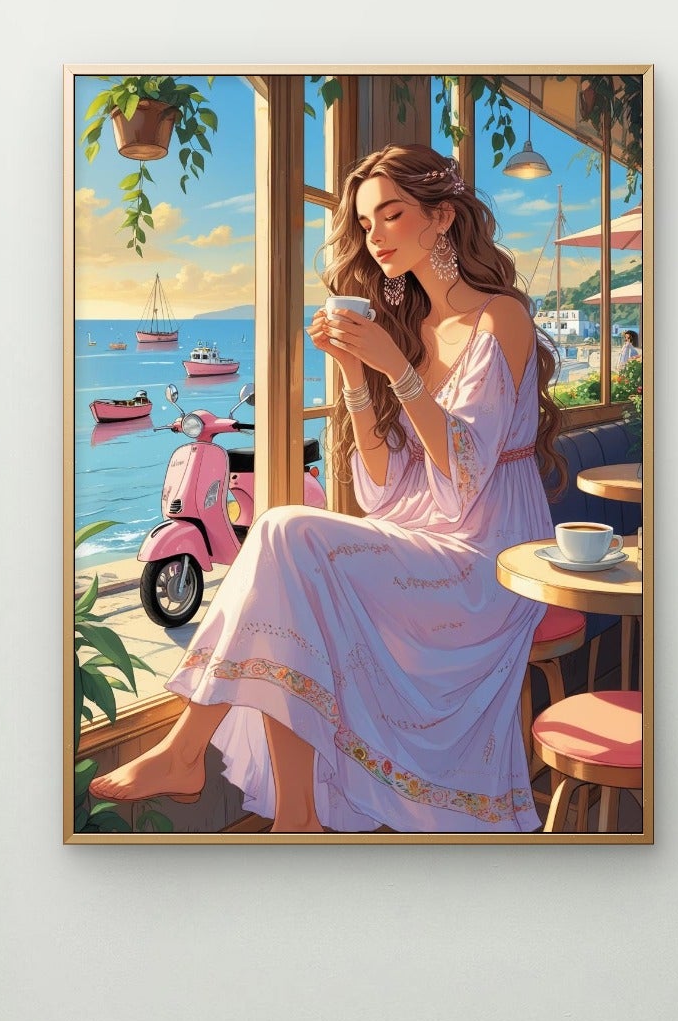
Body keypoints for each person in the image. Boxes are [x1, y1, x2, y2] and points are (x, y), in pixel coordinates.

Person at [91, 145, 559, 833]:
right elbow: (385, 491)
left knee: (285, 533)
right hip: (430, 532)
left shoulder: (500, 318)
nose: (376, 236)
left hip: (493, 555)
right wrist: (354, 374)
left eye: (392, 214)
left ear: (442, 216)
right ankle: (294, 815)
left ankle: (194, 757)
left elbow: (466, 471)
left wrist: (395, 367)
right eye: (366, 223)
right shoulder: (414, 330)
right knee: (289, 560)